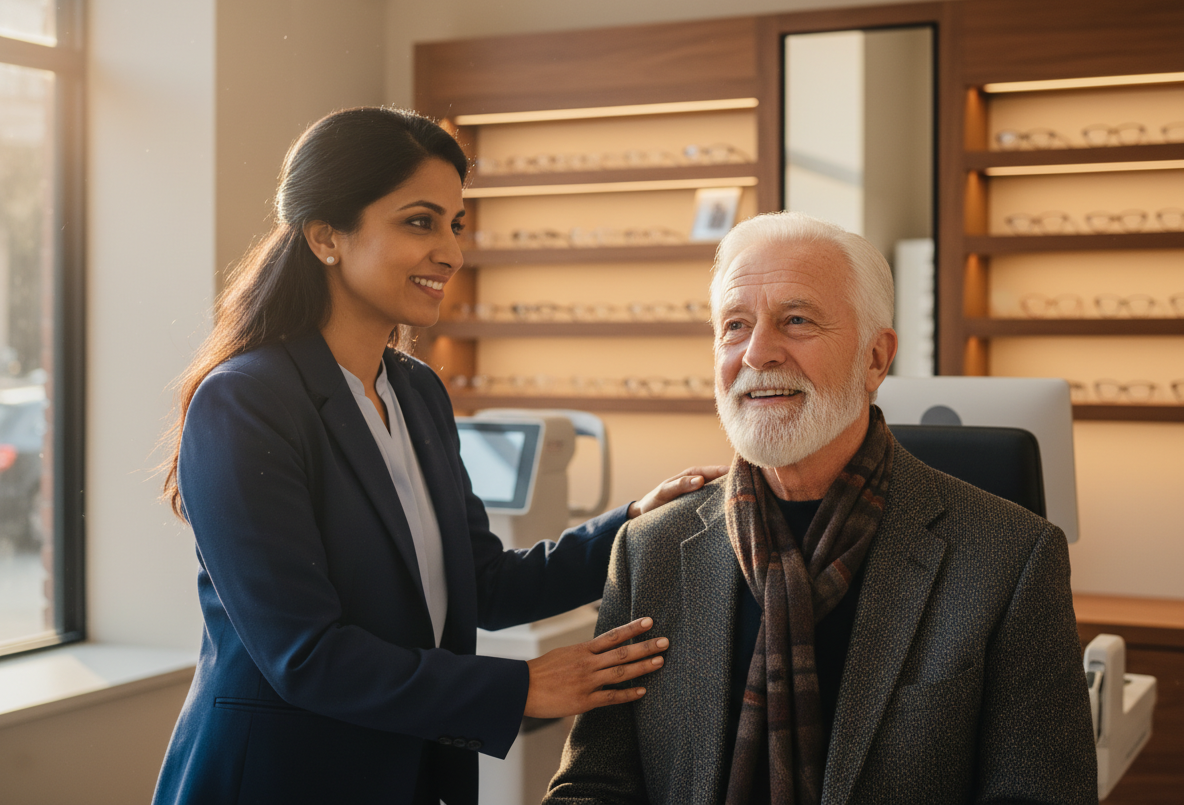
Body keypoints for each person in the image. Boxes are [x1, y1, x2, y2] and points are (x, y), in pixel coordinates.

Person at [152, 107, 725, 805]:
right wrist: (522, 686)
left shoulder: (418, 391)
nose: (451, 252)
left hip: (413, 777)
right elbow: (304, 655)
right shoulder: (245, 402)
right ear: (327, 236)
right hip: (282, 777)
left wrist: (638, 522)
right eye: (419, 222)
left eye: (455, 225)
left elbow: (484, 584)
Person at [545, 212, 1096, 805]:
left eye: (796, 320)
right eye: (735, 326)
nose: (758, 353)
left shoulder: (1010, 559)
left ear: (875, 359)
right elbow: (595, 782)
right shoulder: (649, 549)